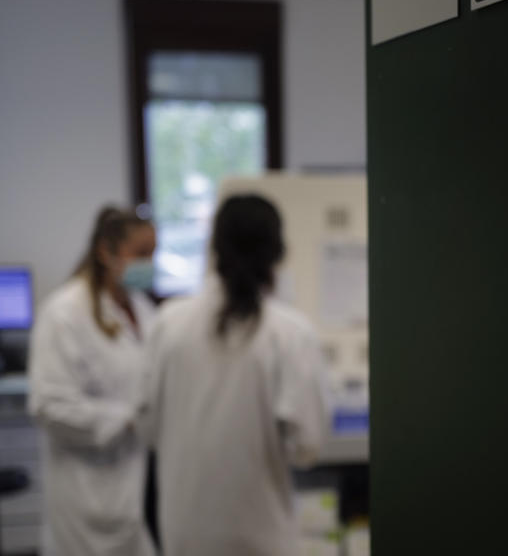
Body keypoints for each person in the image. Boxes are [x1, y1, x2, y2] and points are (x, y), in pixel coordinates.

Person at [144, 194, 330, 556]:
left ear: (214, 246)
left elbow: (147, 427)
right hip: (261, 535)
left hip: (185, 534)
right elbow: (307, 445)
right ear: (277, 252)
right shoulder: (289, 332)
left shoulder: (169, 323)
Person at [28, 206, 158, 556]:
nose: (150, 263)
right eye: (141, 253)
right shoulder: (64, 313)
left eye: (153, 253)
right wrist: (127, 419)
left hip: (135, 484)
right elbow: (49, 406)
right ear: (106, 252)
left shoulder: (142, 308)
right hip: (85, 490)